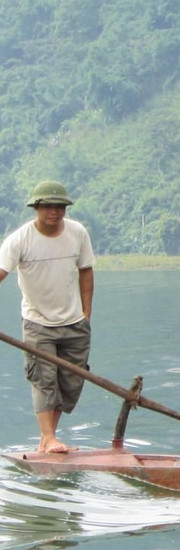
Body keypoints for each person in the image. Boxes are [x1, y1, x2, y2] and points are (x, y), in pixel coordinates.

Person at [0, 180, 95, 453]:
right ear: (36, 208)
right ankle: (49, 437)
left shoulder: (77, 233)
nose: (54, 211)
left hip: (75, 322)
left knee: (70, 381)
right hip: (37, 322)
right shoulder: (20, 239)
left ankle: (48, 439)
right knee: (43, 379)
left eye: (60, 206)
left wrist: (86, 313)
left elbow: (86, 270)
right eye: (48, 206)